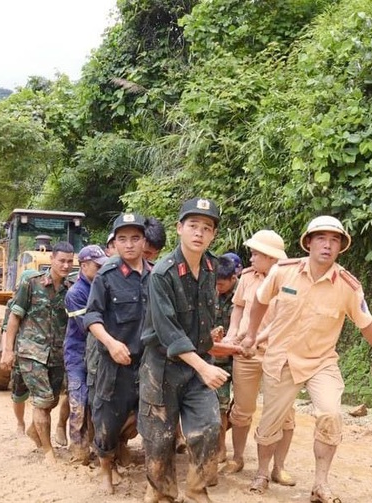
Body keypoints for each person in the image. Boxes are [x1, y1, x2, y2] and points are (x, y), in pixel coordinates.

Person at [241, 215, 372, 503]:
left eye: (335, 240)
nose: (328, 245)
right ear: (308, 242)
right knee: (271, 423)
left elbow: (365, 323)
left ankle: (320, 484)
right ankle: (262, 473)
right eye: (321, 238)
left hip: (321, 361)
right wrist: (251, 334)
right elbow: (259, 301)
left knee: (330, 416)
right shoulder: (283, 272)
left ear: (341, 247)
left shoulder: (348, 285)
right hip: (281, 359)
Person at [139, 197, 229, 503]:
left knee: (209, 426)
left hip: (198, 363)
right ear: (179, 228)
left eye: (207, 228)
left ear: (214, 234)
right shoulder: (161, 273)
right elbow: (167, 332)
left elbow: (205, 313)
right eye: (193, 226)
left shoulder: (211, 266)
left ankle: (195, 490)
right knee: (159, 438)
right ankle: (161, 493)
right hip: (162, 367)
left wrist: (210, 338)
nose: (199, 233)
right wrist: (204, 367)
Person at [221, 230, 296, 494]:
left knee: (285, 414)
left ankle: (279, 467)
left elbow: (283, 320)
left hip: (279, 353)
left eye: (255, 254)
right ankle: (238, 458)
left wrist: (255, 338)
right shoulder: (247, 279)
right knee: (242, 409)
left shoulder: (292, 278)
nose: (251, 258)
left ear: (271, 256)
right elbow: (238, 308)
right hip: (246, 353)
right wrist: (233, 334)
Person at [84, 213, 151, 493]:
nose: (129, 244)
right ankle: (106, 474)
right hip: (115, 366)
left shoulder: (157, 276)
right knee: (107, 423)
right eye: (122, 239)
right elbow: (91, 317)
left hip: (148, 365)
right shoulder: (107, 277)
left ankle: (155, 481)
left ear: (144, 241)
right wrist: (111, 343)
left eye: (135, 238)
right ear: (115, 242)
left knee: (154, 424)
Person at [0, 241, 75, 464]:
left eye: (70, 261)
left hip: (57, 354)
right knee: (42, 400)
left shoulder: (71, 289)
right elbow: (15, 317)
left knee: (51, 401)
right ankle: (48, 452)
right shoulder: (31, 284)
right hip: (31, 352)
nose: (66, 265)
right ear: (51, 259)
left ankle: (36, 431)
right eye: (61, 260)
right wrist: (8, 349)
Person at [63, 245, 109, 464]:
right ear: (83, 266)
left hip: (96, 355)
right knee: (79, 402)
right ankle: (78, 450)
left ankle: (91, 444)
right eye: (97, 266)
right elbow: (89, 326)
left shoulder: (101, 285)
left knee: (94, 402)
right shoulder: (76, 293)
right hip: (78, 355)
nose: (101, 270)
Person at [212, 255, 239, 464]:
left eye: (221, 284)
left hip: (240, 358)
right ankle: (220, 448)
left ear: (232, 278)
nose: (218, 288)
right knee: (220, 404)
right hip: (218, 359)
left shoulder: (244, 294)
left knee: (241, 407)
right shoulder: (210, 291)